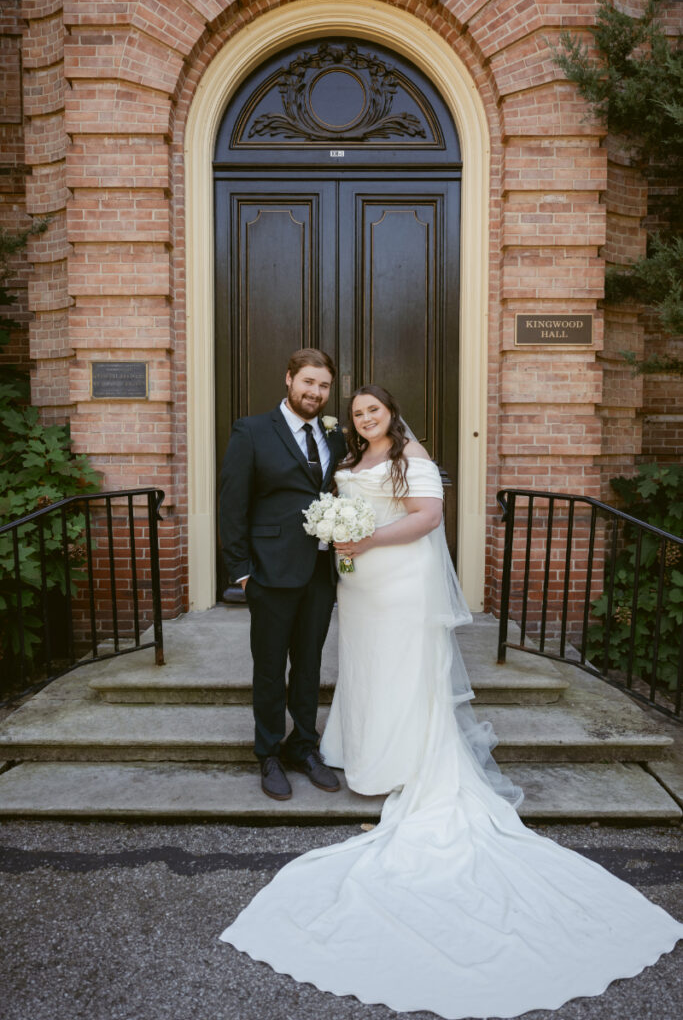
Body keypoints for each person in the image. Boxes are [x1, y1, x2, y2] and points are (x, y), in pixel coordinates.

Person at [220, 385, 682, 1019]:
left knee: (406, 667)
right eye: (355, 412)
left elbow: (428, 519)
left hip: (396, 576)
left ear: (392, 411)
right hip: (356, 587)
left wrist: (366, 539)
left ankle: (408, 758)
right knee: (365, 669)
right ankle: (352, 748)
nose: (363, 417)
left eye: (372, 409)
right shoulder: (342, 457)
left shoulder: (413, 454)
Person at [219, 348, 347, 801]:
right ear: (289, 379)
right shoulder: (252, 430)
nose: (315, 392)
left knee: (310, 664)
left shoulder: (336, 437)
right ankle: (268, 751)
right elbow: (232, 505)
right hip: (269, 572)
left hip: (318, 570)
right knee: (271, 666)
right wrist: (241, 573)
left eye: (324, 386)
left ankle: (305, 746)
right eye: (308, 382)